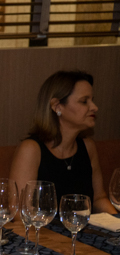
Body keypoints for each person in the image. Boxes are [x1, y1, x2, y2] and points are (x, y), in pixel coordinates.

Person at [9, 70, 117, 213]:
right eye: (84, 101)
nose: (94, 107)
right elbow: (19, 212)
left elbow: (98, 199)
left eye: (92, 100)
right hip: (42, 227)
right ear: (57, 106)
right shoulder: (31, 149)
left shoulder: (88, 146)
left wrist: (116, 221)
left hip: (81, 227)